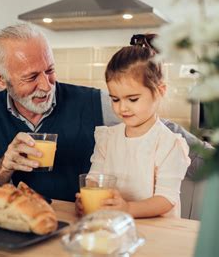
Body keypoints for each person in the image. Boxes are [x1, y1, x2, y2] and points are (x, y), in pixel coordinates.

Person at [0, 23, 208, 202]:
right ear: (1, 79)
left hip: (80, 224)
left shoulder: (94, 102)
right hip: (16, 223)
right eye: (31, 77)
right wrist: (4, 166)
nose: (46, 85)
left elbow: (161, 129)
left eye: (50, 70)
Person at [75, 44, 190, 218]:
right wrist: (88, 199)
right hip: (114, 227)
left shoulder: (170, 144)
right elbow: (94, 178)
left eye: (133, 99)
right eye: (115, 99)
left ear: (159, 91)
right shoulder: (107, 138)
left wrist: (127, 209)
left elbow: (166, 199)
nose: (122, 108)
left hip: (158, 233)